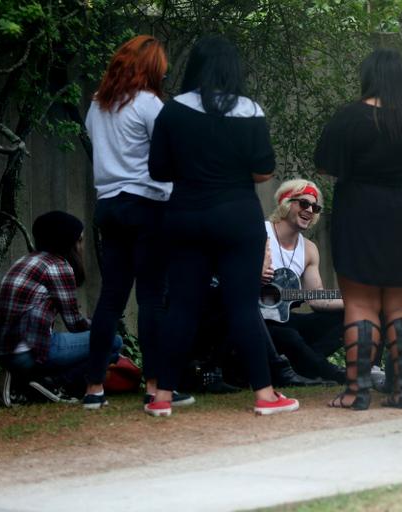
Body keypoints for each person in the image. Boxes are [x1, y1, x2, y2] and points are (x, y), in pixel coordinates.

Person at [147, 35, 298, 416]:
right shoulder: (250, 110)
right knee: (243, 306)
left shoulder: (173, 109)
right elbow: (264, 170)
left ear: (195, 66)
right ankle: (265, 396)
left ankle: (162, 397)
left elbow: (158, 169)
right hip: (237, 217)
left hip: (185, 215)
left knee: (181, 306)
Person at [315, 48, 402, 410]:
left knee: (360, 303)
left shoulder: (350, 118)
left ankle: (356, 391)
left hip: (361, 214)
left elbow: (325, 167)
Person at [83, 35, 192, 410]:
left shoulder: (98, 105)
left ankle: (94, 389)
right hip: (147, 205)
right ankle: (155, 385)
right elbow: (171, 151)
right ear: (151, 68)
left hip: (108, 206)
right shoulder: (149, 104)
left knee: (111, 297)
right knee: (151, 298)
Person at [0, 211, 122, 406]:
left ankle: (25, 383)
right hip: (28, 354)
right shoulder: (58, 267)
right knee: (113, 342)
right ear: (68, 242)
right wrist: (103, 325)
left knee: (104, 347)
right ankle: (54, 384)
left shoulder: (25, 260)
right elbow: (75, 324)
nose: (81, 245)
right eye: (80, 240)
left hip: (6, 353)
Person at [262, 179, 345, 384]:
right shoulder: (260, 232)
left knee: (350, 314)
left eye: (315, 207)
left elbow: (317, 299)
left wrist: (355, 301)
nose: (310, 210)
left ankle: (302, 362)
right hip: (256, 321)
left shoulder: (309, 249)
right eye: (304, 203)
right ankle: (326, 371)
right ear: (286, 202)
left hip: (285, 320)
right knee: (289, 336)